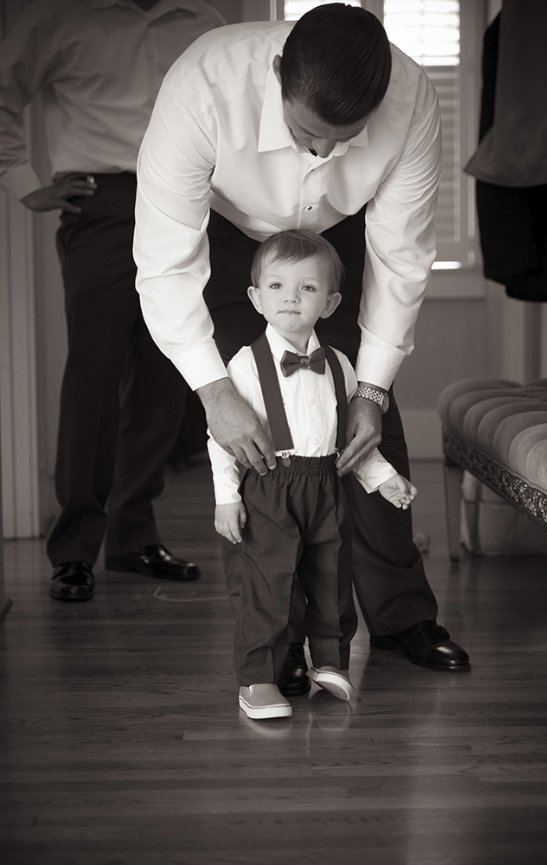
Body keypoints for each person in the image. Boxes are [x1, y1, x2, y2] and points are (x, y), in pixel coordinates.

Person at [134, 3, 471, 687]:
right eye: (308, 134)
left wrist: (371, 388)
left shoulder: (409, 101)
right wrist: (214, 389)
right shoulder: (203, 87)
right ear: (279, 75)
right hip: (228, 237)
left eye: (341, 141)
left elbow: (401, 257)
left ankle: (403, 614)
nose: (320, 155)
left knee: (366, 423)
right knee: (260, 436)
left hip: (339, 234)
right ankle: (281, 636)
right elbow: (165, 264)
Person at [0, 0, 226, 601]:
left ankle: (133, 538)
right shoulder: (59, 20)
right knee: (93, 380)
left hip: (187, 207)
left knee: (165, 378)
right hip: (99, 206)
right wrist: (24, 184)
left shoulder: (204, 24)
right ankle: (74, 550)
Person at [208, 230, 417, 720]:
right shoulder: (242, 365)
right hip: (268, 485)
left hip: (326, 483)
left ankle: (329, 661)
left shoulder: (342, 365)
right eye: (277, 287)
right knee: (268, 583)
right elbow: (221, 437)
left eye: (306, 288)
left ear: (330, 302)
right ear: (256, 299)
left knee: (331, 573)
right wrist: (226, 498)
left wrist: (382, 476)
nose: (291, 298)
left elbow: (352, 436)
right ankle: (258, 679)